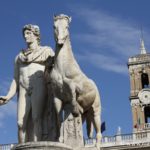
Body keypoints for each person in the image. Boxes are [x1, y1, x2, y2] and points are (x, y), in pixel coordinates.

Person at [0, 24, 54, 143]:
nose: (25, 36)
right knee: (20, 123)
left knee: (37, 118)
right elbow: (15, 79)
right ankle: (22, 146)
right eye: (24, 33)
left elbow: (55, 70)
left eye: (28, 33)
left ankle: (36, 146)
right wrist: (8, 96)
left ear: (36, 35)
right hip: (23, 88)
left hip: (39, 85)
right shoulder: (19, 57)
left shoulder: (46, 51)